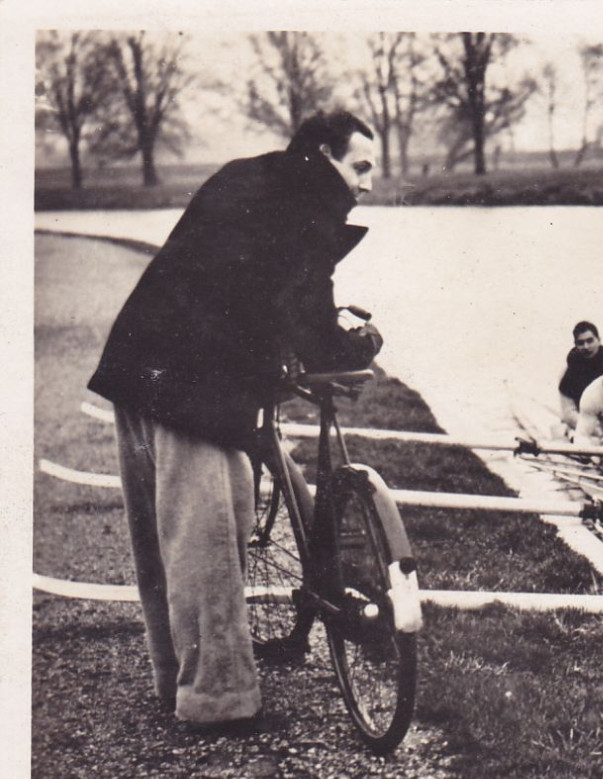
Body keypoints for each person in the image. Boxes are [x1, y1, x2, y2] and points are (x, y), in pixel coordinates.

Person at [86, 109, 384, 729]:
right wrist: (353, 346)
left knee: (161, 538)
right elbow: (306, 311)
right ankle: (219, 704)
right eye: (360, 166)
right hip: (193, 385)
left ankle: (179, 684)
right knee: (209, 542)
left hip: (142, 361)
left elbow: (237, 279)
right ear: (325, 155)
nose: (368, 183)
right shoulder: (310, 201)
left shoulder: (250, 175)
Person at [557, 320, 603, 436]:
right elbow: (569, 413)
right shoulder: (570, 373)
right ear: (575, 345)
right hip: (584, 425)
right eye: (581, 343)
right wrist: (594, 429)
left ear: (599, 340)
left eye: (590, 341)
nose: (586, 346)